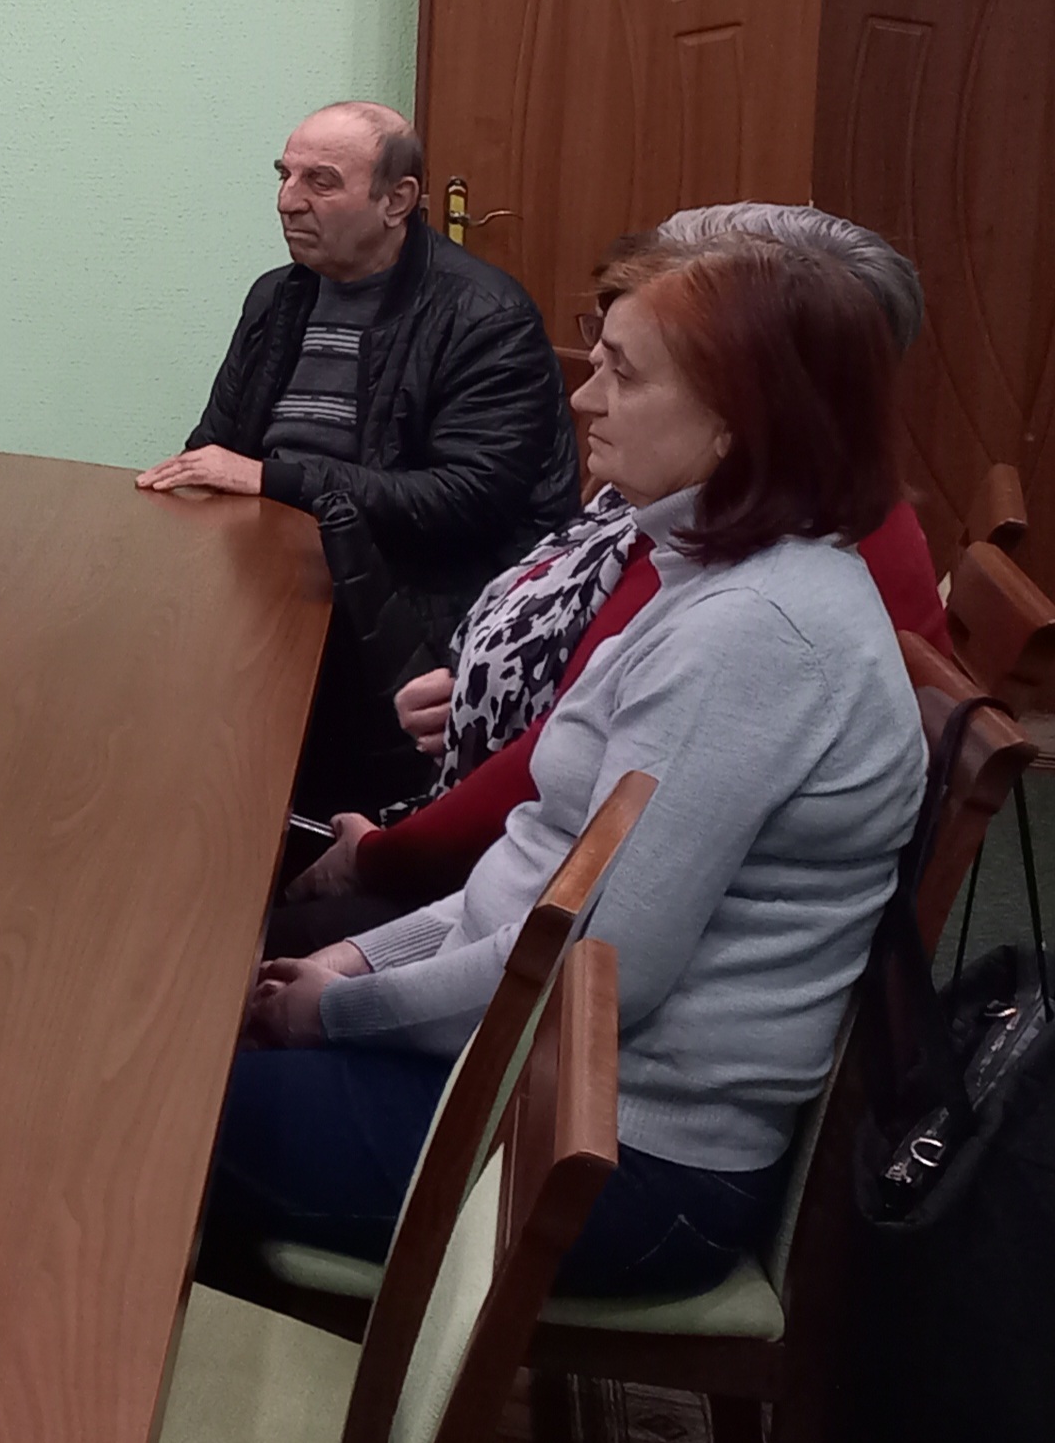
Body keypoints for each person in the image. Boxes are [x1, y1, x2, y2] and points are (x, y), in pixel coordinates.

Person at [215, 243, 921, 1298]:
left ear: (738, 421)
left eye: (623, 374)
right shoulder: (711, 574)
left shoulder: (753, 635)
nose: (585, 398)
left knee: (172, 1117)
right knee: (196, 1046)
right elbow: (536, 866)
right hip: (546, 1079)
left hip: (623, 1156)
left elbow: (599, 969)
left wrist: (338, 1011)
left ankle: (272, 1389)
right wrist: (358, 965)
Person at [273, 207, 950, 953]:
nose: (587, 395)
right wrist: (473, 690)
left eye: (627, 368)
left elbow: (596, 931)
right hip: (512, 858)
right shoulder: (706, 510)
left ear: (760, 379)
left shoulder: (752, 586)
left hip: (520, 889)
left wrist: (376, 873)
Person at [140, 102, 581, 818]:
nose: (288, 201)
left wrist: (279, 479)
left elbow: (466, 501)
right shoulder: (278, 296)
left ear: (396, 201)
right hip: (280, 576)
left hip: (419, 600)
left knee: (232, 744)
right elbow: (215, 449)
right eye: (284, 176)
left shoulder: (484, 315)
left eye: (320, 182)